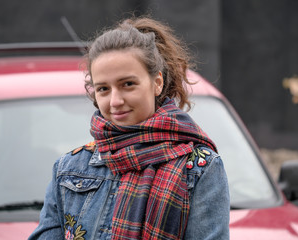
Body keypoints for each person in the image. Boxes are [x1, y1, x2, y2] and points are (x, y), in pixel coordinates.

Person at [29, 16, 229, 240]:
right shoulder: (69, 168)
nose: (115, 101)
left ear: (157, 82)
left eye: (128, 84)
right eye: (103, 89)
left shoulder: (199, 167)